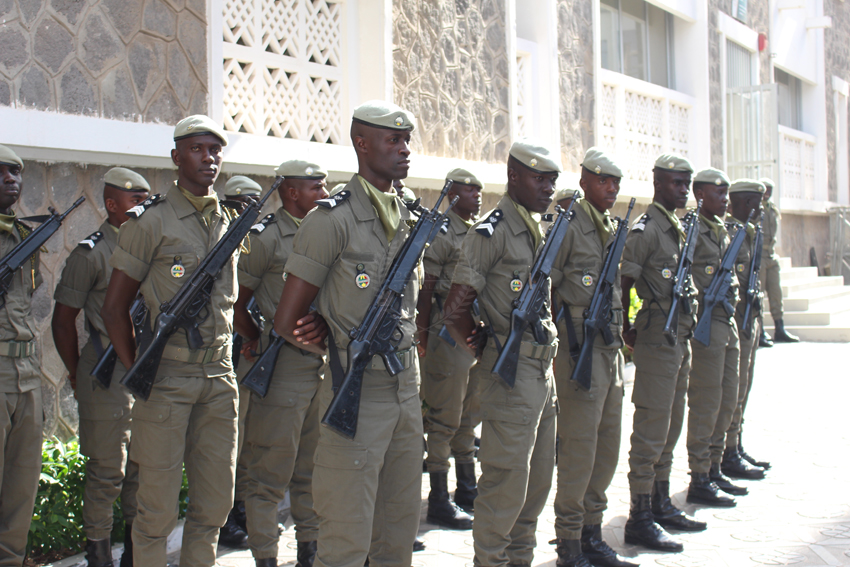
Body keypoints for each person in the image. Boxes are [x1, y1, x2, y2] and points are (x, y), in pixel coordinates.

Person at [274, 100, 423, 567]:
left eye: (406, 141)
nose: (404, 150)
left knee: (396, 538)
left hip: (406, 388)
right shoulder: (331, 219)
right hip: (357, 393)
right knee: (345, 543)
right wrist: (334, 340)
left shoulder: (410, 218)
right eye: (392, 140)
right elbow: (287, 319)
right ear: (362, 143)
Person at [102, 115, 240, 567]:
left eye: (215, 150)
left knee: (214, 505)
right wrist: (138, 370)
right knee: (156, 510)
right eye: (198, 149)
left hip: (220, 376)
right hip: (167, 377)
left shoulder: (228, 220)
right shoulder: (151, 222)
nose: (209, 158)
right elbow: (114, 307)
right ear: (176, 156)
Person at [444, 139, 559, 567]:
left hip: (539, 371)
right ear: (513, 176)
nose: (547, 187)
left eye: (552, 180)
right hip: (510, 376)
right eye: (539, 178)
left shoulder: (535, 226)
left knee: (536, 485)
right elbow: (454, 307)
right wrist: (477, 340)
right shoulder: (490, 231)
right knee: (504, 486)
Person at [52, 168, 151, 567]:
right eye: (135, 201)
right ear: (111, 205)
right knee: (107, 468)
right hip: (105, 369)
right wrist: (78, 373)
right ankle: (98, 554)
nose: (144, 208)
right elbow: (63, 320)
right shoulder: (90, 253)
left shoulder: (152, 247)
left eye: (147, 200)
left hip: (143, 366)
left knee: (141, 468)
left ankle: (133, 552)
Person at [234, 160, 329, 567]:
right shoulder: (265, 238)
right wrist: (255, 336)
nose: (324, 194)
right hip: (283, 366)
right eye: (316, 188)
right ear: (291, 192)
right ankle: (266, 557)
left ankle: (310, 549)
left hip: (321, 367)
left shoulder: (325, 231)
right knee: (269, 472)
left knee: (313, 468)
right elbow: (237, 299)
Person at [550, 148, 636, 567]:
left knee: (607, 446)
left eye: (616, 183)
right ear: (584, 181)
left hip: (609, 352)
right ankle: (568, 541)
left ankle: (591, 531)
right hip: (576, 352)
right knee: (579, 450)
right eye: (604, 181)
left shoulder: (611, 228)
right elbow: (545, 288)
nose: (611, 189)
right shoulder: (567, 227)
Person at [620, 154, 705, 553]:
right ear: (657, 183)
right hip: (657, 335)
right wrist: (627, 328)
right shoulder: (647, 230)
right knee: (652, 425)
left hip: (680, 335)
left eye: (686, 183)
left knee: (672, 421)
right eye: (676, 183)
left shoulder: (678, 227)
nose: (683, 190)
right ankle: (639, 517)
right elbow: (623, 281)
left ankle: (659, 501)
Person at [416, 168, 482, 529]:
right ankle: (439, 498)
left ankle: (467, 488)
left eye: (479, 190)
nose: (478, 196)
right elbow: (427, 288)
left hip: (470, 333)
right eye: (470, 190)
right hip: (445, 336)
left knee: (468, 415)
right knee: (444, 418)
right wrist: (422, 335)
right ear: (452, 193)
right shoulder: (442, 231)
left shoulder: (476, 231)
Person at [683, 168, 744, 510]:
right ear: (700, 195)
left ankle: (715, 465)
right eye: (718, 194)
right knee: (706, 402)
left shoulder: (722, 230)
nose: (724, 200)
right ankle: (700, 475)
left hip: (726, 322)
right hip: (707, 327)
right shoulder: (692, 230)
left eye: (726, 194)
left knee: (727, 396)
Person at [0, 145, 45, 567]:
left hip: (26, 371)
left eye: (15, 172)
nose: (10, 178)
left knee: (21, 483)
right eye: (0, 172)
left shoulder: (24, 235)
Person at [220, 174, 267, 551]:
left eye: (256, 206)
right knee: (229, 444)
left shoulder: (256, 245)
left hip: (251, 357)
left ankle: (242, 509)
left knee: (251, 441)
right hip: (228, 356)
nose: (251, 213)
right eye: (244, 205)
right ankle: (226, 518)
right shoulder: (219, 243)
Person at [721, 179, 771, 480]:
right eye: (753, 201)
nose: (759, 208)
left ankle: (735, 445)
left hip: (749, 318)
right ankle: (726, 451)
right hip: (733, 321)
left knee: (744, 387)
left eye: (760, 202)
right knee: (732, 390)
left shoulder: (751, 233)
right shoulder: (729, 234)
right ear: (736, 204)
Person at [758, 178, 798, 345]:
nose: (767, 193)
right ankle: (759, 331)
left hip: (771, 254)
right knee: (758, 294)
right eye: (764, 190)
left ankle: (779, 328)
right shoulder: (755, 209)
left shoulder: (772, 209)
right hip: (759, 254)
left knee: (776, 293)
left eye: (770, 190)